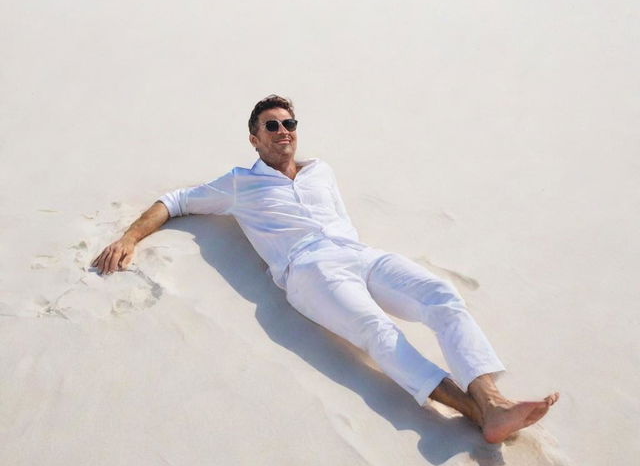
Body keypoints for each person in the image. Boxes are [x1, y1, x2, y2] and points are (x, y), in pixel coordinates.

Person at [92, 94, 558, 443]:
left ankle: (491, 398)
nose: (283, 131)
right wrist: (130, 238)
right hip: (309, 270)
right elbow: (174, 201)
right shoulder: (239, 184)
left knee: (441, 296)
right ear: (254, 138)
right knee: (377, 331)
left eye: (289, 123)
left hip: (360, 254)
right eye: (271, 126)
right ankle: (478, 414)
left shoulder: (321, 170)